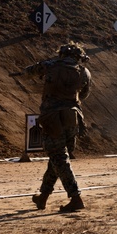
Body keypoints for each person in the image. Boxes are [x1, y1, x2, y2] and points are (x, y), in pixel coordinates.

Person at [25, 41, 92, 212]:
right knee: (57, 159)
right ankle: (43, 197)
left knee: (59, 158)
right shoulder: (84, 72)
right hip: (73, 118)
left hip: (52, 118)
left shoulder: (50, 65)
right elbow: (83, 94)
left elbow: (29, 72)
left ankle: (76, 197)